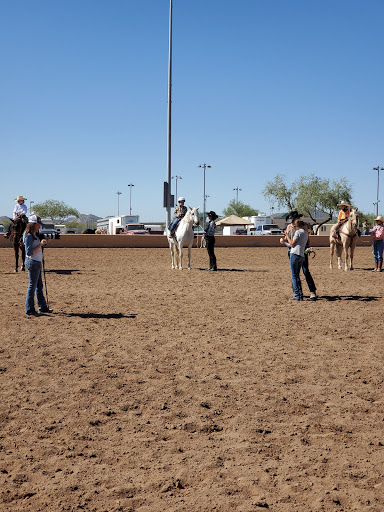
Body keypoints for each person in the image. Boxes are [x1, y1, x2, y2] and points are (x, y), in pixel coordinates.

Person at [281, 211, 317, 300]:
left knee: (305, 271)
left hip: (301, 250)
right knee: (295, 273)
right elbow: (287, 238)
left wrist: (308, 247)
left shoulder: (303, 226)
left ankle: (312, 291)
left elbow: (307, 238)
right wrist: (283, 240)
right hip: (291, 250)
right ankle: (297, 292)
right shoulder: (289, 226)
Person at [23, 214, 51, 316]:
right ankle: (30, 310)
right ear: (33, 224)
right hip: (33, 262)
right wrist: (40, 245)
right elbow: (29, 252)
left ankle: (42, 307)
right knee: (32, 286)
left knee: (39, 285)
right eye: (38, 224)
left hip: (36, 262)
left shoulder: (32, 235)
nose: (40, 226)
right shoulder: (29, 235)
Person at [285, 220, 308, 301]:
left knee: (294, 276)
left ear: (298, 226)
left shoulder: (298, 233)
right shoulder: (305, 233)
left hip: (294, 254)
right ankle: (300, 294)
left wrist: (286, 236)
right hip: (301, 255)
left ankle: (297, 295)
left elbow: (292, 244)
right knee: (297, 275)